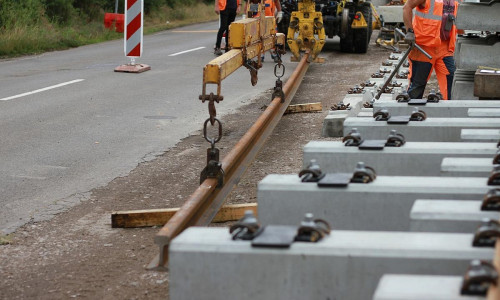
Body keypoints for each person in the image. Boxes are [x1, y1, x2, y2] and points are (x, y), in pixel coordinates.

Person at [403, 0, 460, 100]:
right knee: (417, 86)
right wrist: (409, 31)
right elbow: (407, 7)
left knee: (452, 82)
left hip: (445, 48)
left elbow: (457, 21)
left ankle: (450, 110)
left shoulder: (454, 1)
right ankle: (412, 111)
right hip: (424, 48)